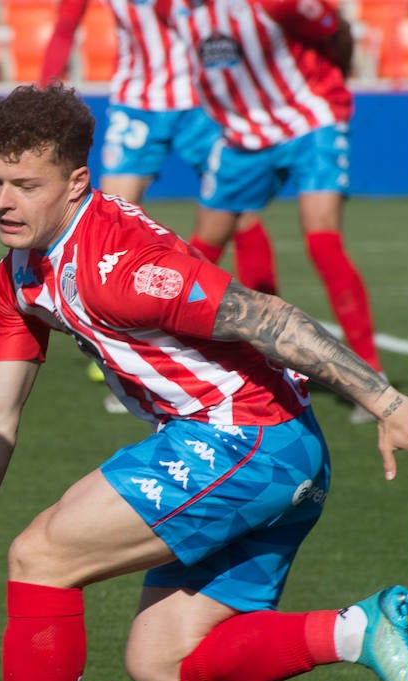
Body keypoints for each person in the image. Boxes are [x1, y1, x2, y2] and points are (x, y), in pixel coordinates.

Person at [0, 84, 408, 681]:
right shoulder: (21, 275)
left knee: (41, 555)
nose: (2, 199)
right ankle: (361, 630)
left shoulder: (122, 264)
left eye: (25, 185)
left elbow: (271, 316)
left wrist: (389, 403)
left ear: (76, 184)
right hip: (262, 451)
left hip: (247, 439)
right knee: (165, 664)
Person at [39, 0, 277, 414]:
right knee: (105, 223)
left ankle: (267, 338)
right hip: (138, 104)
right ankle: (122, 351)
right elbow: (65, 24)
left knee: (241, 212)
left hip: (202, 104)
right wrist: (46, 92)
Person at [158, 0, 384, 422]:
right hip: (241, 137)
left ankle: (371, 376)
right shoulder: (174, 10)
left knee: (322, 241)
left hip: (309, 123)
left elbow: (336, 29)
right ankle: (173, 366)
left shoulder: (275, 4)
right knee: (198, 252)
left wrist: (335, 83)